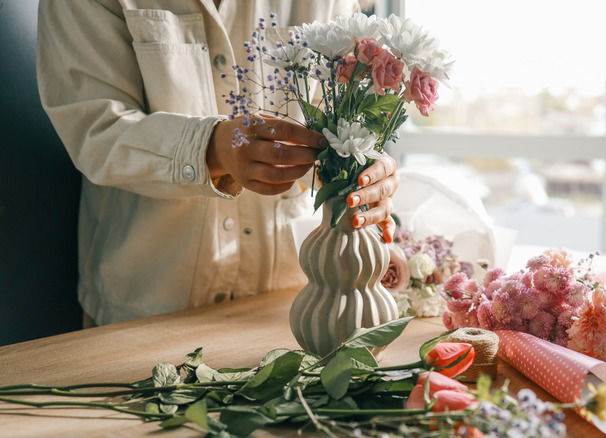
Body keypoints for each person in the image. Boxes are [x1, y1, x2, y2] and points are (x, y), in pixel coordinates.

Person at [36, 0, 397, 327]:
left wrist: (363, 166)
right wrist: (211, 148)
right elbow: (94, 128)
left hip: (292, 307)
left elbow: (344, 115)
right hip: (144, 314)